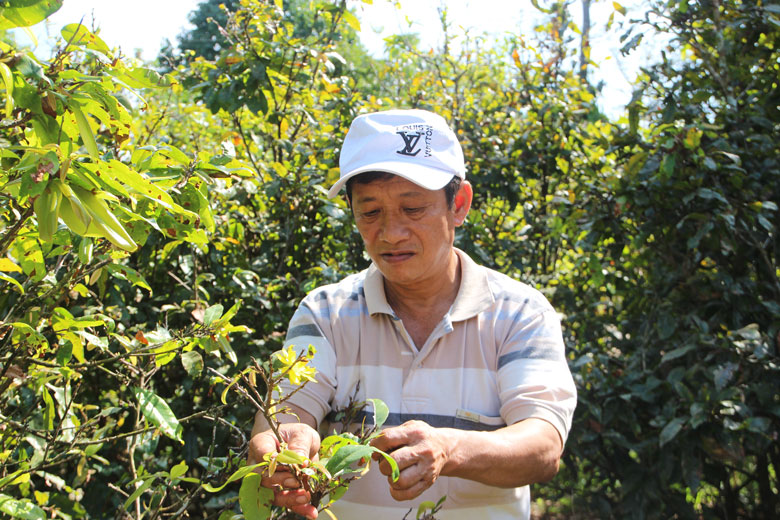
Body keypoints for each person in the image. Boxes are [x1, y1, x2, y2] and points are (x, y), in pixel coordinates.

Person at [248, 109, 577, 520]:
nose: (390, 233)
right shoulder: (324, 314)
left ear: (458, 205)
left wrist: (449, 449)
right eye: (370, 212)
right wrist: (282, 440)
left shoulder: (520, 314)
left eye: (413, 208)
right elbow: (286, 413)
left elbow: (542, 447)